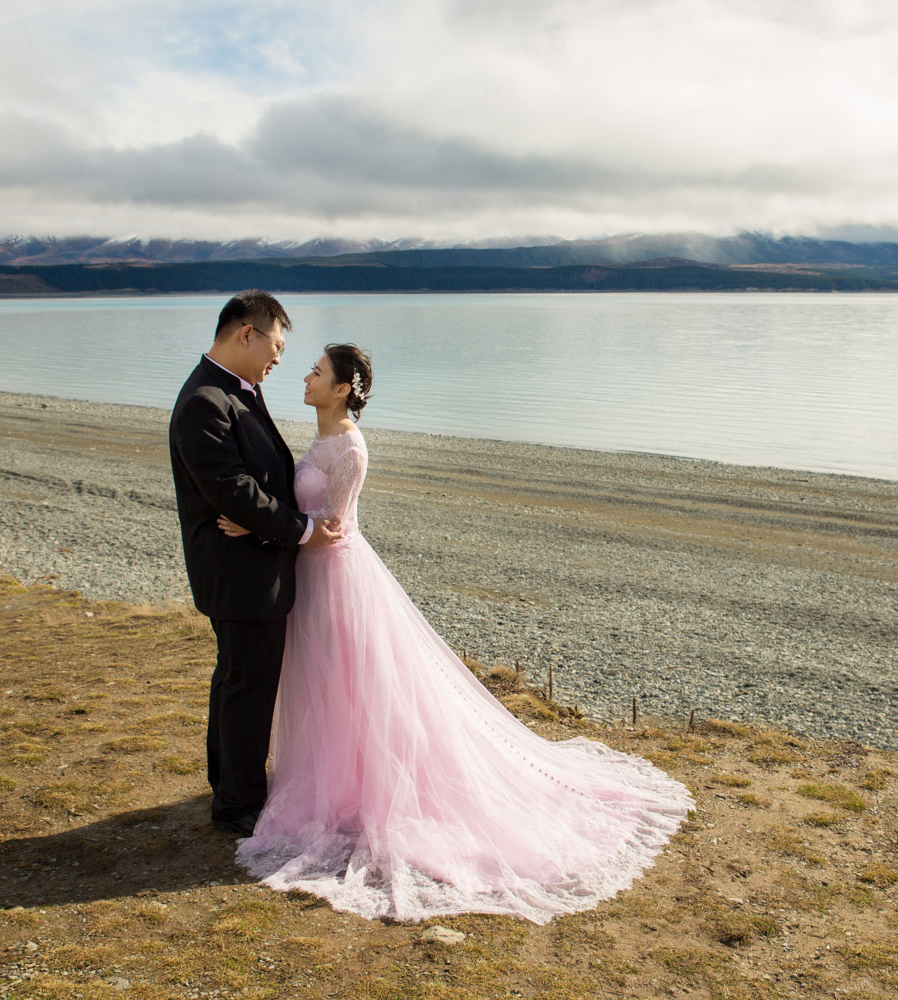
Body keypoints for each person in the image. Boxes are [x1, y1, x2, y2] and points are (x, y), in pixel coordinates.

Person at [225, 344, 694, 923]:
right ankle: (332, 783)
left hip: (338, 577)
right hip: (311, 580)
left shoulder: (349, 447)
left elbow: (335, 532)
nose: (306, 375)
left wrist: (260, 527)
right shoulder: (320, 439)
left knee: (357, 686)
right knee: (323, 689)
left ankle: (370, 791)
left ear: (343, 387)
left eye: (317, 372)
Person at [168, 290, 342, 837]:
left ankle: (230, 787)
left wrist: (261, 513)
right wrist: (303, 529)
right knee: (249, 686)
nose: (279, 359)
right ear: (248, 332)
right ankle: (239, 806)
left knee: (237, 680)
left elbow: (251, 484)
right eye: (277, 345)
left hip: (247, 561)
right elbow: (232, 489)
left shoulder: (234, 390)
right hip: (240, 571)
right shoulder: (205, 400)